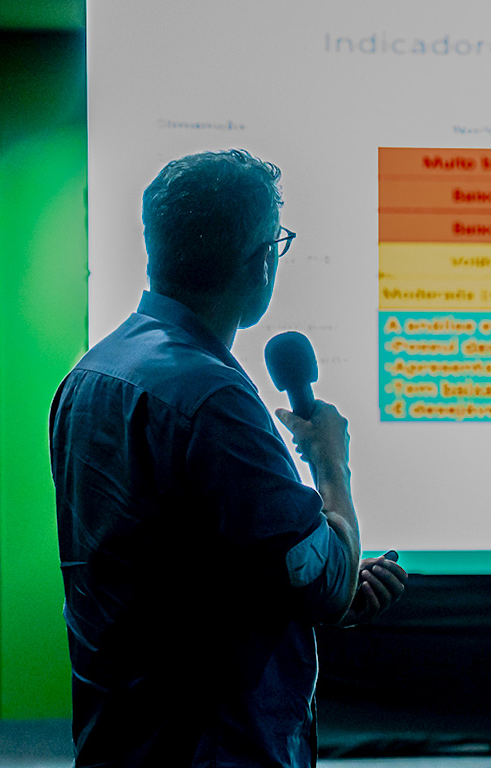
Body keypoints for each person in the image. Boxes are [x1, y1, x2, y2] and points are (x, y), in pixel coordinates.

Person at [49, 149, 407, 767]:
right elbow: (323, 583)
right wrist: (330, 463)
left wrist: (319, 581)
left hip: (121, 738)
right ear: (262, 262)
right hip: (214, 747)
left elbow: (173, 568)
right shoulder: (214, 400)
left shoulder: (88, 376)